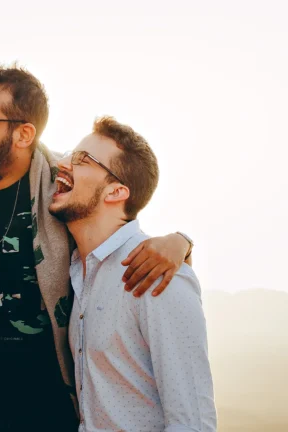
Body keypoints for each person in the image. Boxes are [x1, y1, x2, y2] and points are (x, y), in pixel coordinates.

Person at [0, 65, 196, 431]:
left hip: (54, 416)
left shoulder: (60, 187)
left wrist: (180, 241)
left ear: (23, 133)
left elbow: (116, 217)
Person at [50, 116, 216, 431]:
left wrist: (182, 242)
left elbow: (193, 422)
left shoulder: (158, 273)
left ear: (116, 192)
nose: (63, 164)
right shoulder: (78, 271)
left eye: (82, 160)